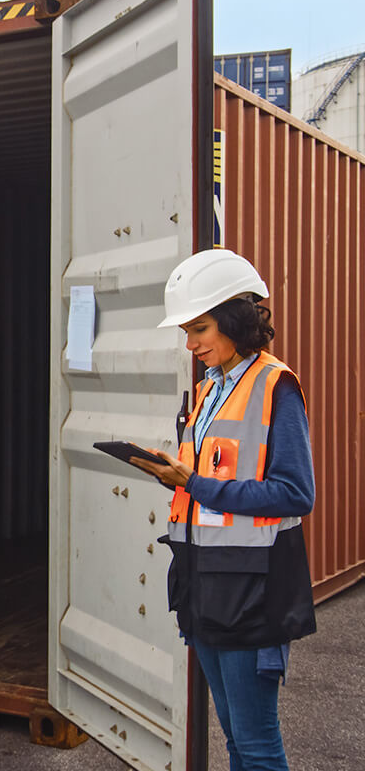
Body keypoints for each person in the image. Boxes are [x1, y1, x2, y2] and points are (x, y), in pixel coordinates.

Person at [129, 248, 315, 771]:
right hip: (204, 585)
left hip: (252, 593)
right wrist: (175, 475)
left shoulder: (276, 386)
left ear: (235, 319)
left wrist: (197, 484)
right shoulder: (211, 389)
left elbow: (296, 493)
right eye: (186, 331)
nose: (191, 345)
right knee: (235, 743)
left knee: (256, 747)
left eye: (201, 329)